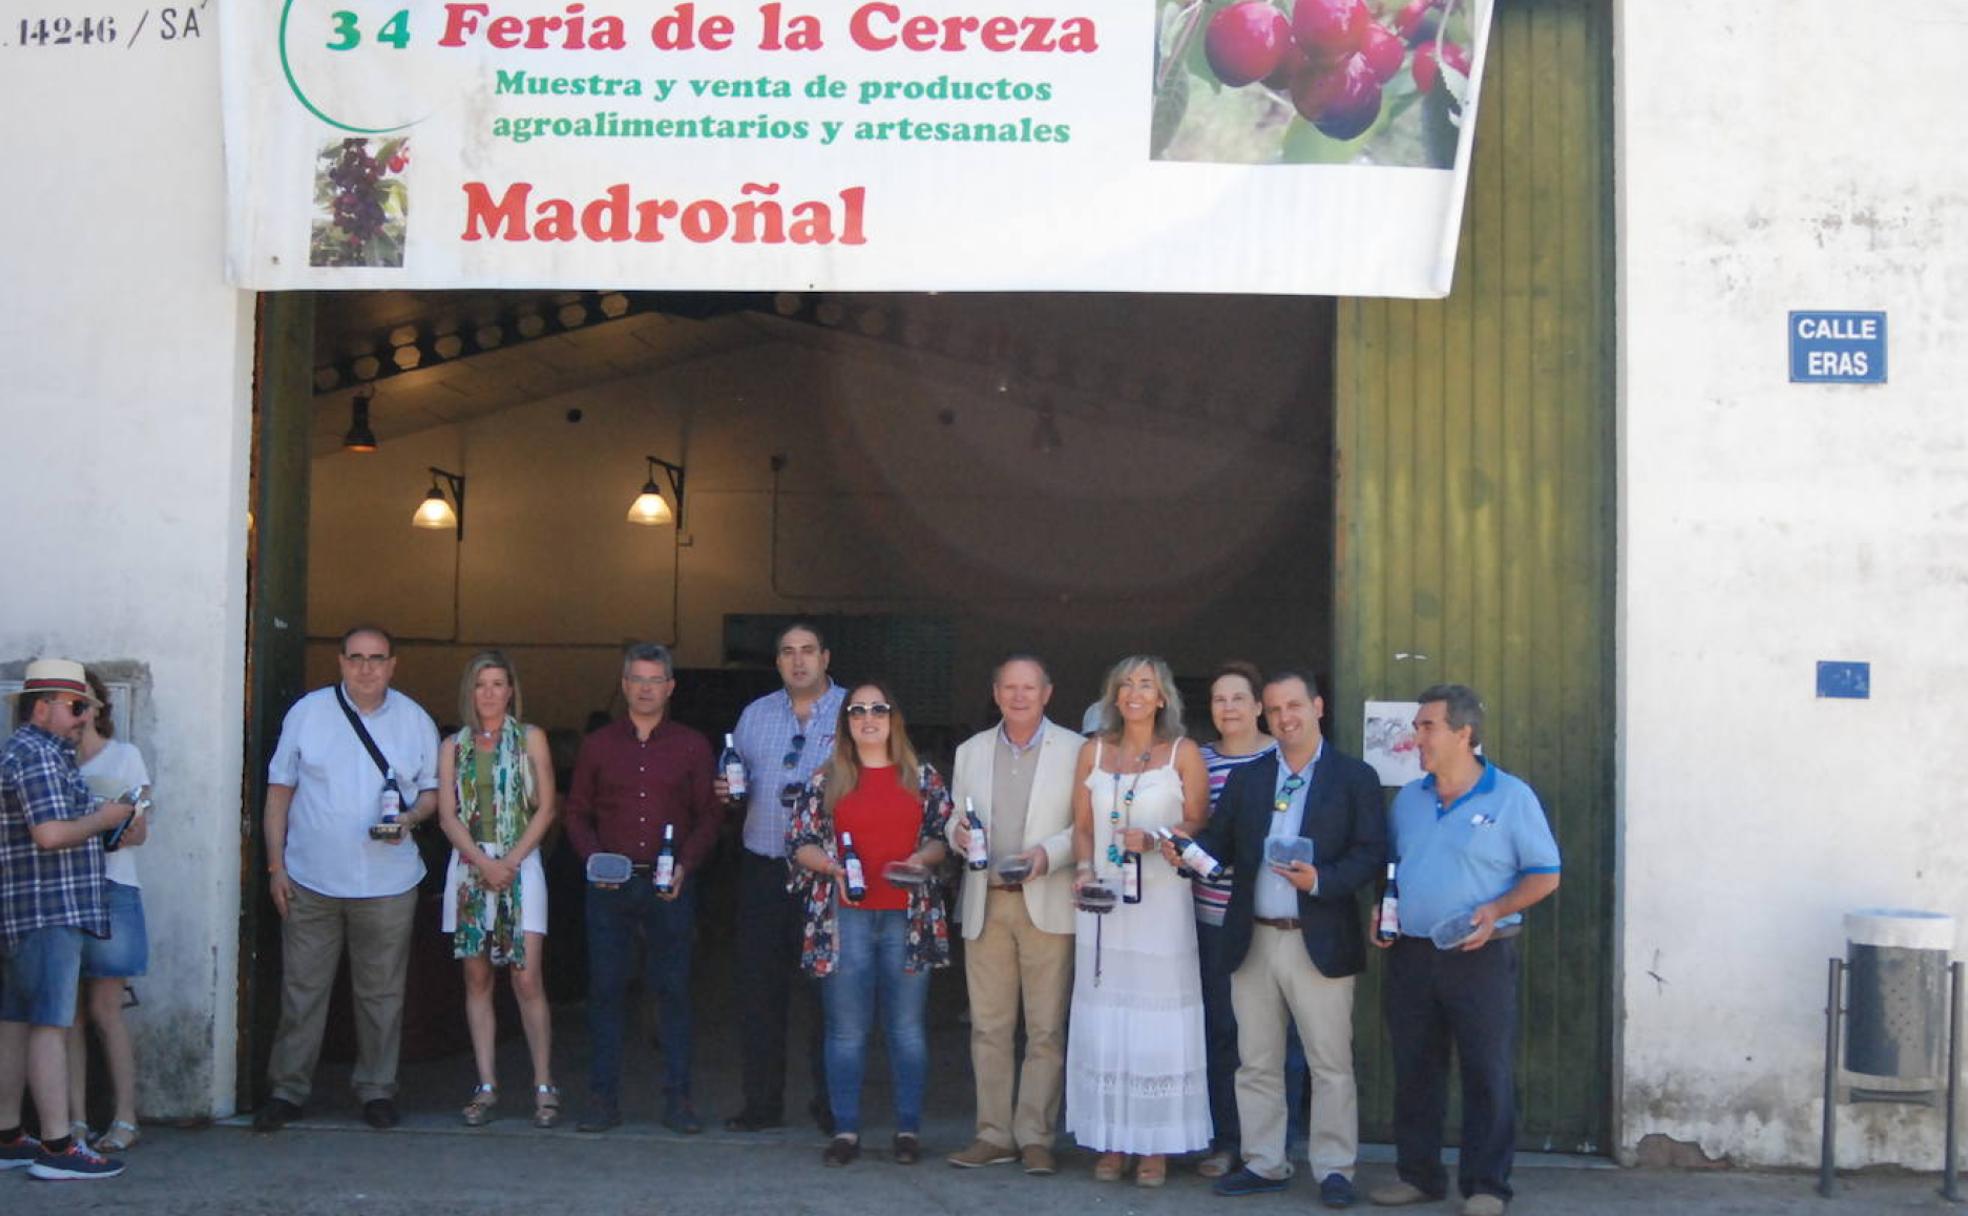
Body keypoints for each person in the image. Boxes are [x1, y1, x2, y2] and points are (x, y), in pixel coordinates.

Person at [1185, 670, 1386, 1208]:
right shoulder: (1251, 778)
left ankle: (1334, 1169)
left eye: (1294, 706)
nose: (1284, 718)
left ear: (1318, 707)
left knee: (1329, 1063)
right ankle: (1265, 1161)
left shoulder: (1353, 777)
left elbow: (1371, 852)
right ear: (1265, 717)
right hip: (1253, 939)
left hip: (1317, 938)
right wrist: (1186, 854)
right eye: (1274, 710)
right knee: (1257, 1060)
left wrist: (1321, 879)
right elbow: (1218, 844)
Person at [1369, 685, 1560, 1216]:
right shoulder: (1409, 799)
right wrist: (1384, 909)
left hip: (1481, 958)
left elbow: (1546, 875)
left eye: (1428, 726)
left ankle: (1486, 1187)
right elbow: (1396, 870)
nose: (1417, 737)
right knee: (1415, 1069)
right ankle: (1419, 1176)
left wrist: (1495, 911)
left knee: (1485, 1071)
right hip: (1410, 955)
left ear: (1464, 734)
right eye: (1417, 726)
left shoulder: (1511, 797)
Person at [255, 625, 439, 1133]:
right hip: (311, 880)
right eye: (356, 658)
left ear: (393, 664)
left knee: (382, 995)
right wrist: (275, 867)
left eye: (376, 658)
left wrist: (410, 819)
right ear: (339, 662)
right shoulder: (308, 714)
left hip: (389, 883)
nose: (366, 668)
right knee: (302, 990)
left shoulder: (414, 719)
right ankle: (287, 1091)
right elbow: (278, 794)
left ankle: (377, 1089)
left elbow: (432, 792)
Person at [788, 682, 952, 1167]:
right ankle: (845, 1130)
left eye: (878, 707)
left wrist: (921, 859)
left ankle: (907, 1128)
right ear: (846, 722)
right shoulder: (825, 779)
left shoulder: (923, 779)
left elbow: (942, 838)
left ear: (893, 718)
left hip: (909, 916)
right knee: (846, 1031)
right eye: (857, 710)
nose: (868, 716)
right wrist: (832, 868)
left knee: (906, 1030)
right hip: (846, 918)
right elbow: (800, 843)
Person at [1065, 655, 1212, 1187]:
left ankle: (1156, 1146)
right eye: (1125, 683)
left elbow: (1198, 820)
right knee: (1106, 1013)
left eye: (1145, 685)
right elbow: (1081, 826)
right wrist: (1083, 869)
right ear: (1113, 695)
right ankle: (1111, 1139)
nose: (1134, 692)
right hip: (1105, 902)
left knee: (1158, 1023)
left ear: (1162, 698)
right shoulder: (1093, 752)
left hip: (1161, 904)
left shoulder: (1183, 752)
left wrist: (1157, 838)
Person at [563, 642, 719, 1134]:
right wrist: (594, 862)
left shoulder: (693, 745)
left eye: (656, 680)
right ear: (624, 685)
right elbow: (576, 813)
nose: (647, 688)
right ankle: (602, 1099)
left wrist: (686, 867)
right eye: (638, 679)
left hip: (669, 885)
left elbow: (709, 816)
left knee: (673, 993)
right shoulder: (598, 745)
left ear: (670, 687)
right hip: (610, 888)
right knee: (606, 993)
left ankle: (679, 1101)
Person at [944, 655, 1084, 1175]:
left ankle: (1036, 1136)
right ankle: (993, 1133)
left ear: (1047, 693)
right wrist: (954, 834)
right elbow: (956, 816)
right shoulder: (970, 751)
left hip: (1046, 900)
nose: (1019, 696)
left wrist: (1049, 855)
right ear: (996, 692)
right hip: (987, 901)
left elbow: (1084, 826)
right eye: (1009, 687)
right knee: (989, 1027)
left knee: (1046, 1029)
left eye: (1029, 688)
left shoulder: (1076, 749)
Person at [0, 658, 135, 1179]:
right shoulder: (36, 755)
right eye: (77, 707)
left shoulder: (38, 754)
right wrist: (104, 818)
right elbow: (51, 834)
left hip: (29, 907)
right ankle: (58, 1147)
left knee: (16, 1021)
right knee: (49, 1025)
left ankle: (10, 1134)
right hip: (47, 908)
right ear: (42, 707)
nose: (84, 718)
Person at [717, 622, 845, 1134]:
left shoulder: (853, 712)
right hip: (764, 866)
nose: (798, 662)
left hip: (825, 875)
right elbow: (736, 782)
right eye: (788, 653)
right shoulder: (754, 714)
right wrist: (725, 791)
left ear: (826, 657)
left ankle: (831, 1105)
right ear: (777, 663)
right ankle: (762, 1104)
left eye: (808, 651)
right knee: (759, 991)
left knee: (827, 995)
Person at [434, 651, 559, 1129]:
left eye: (498, 684)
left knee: (526, 978)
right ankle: (486, 1083)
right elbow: (447, 814)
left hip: (519, 861)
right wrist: (482, 861)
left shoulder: (531, 739)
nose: (489, 692)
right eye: (481, 684)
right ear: (471, 691)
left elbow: (546, 808)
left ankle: (544, 1083)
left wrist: (507, 861)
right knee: (477, 978)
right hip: (469, 865)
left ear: (511, 690)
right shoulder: (453, 746)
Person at [1190, 661, 1278, 1178]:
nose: (1228, 708)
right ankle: (1226, 1141)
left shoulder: (1282, 759)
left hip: (1267, 916)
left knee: (1271, 1037)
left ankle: (1273, 1146)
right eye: (1220, 700)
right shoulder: (1199, 760)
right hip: (1210, 918)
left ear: (1258, 705)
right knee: (1221, 1032)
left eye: (1238, 698)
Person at [65, 669, 152, 1155]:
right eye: (69, 702)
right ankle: (73, 1122)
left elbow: (140, 830)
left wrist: (108, 821)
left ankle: (125, 1117)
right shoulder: (46, 756)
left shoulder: (125, 757)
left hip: (113, 885)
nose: (79, 712)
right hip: (58, 891)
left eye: (86, 702)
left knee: (105, 1009)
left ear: (101, 706)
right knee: (66, 1014)